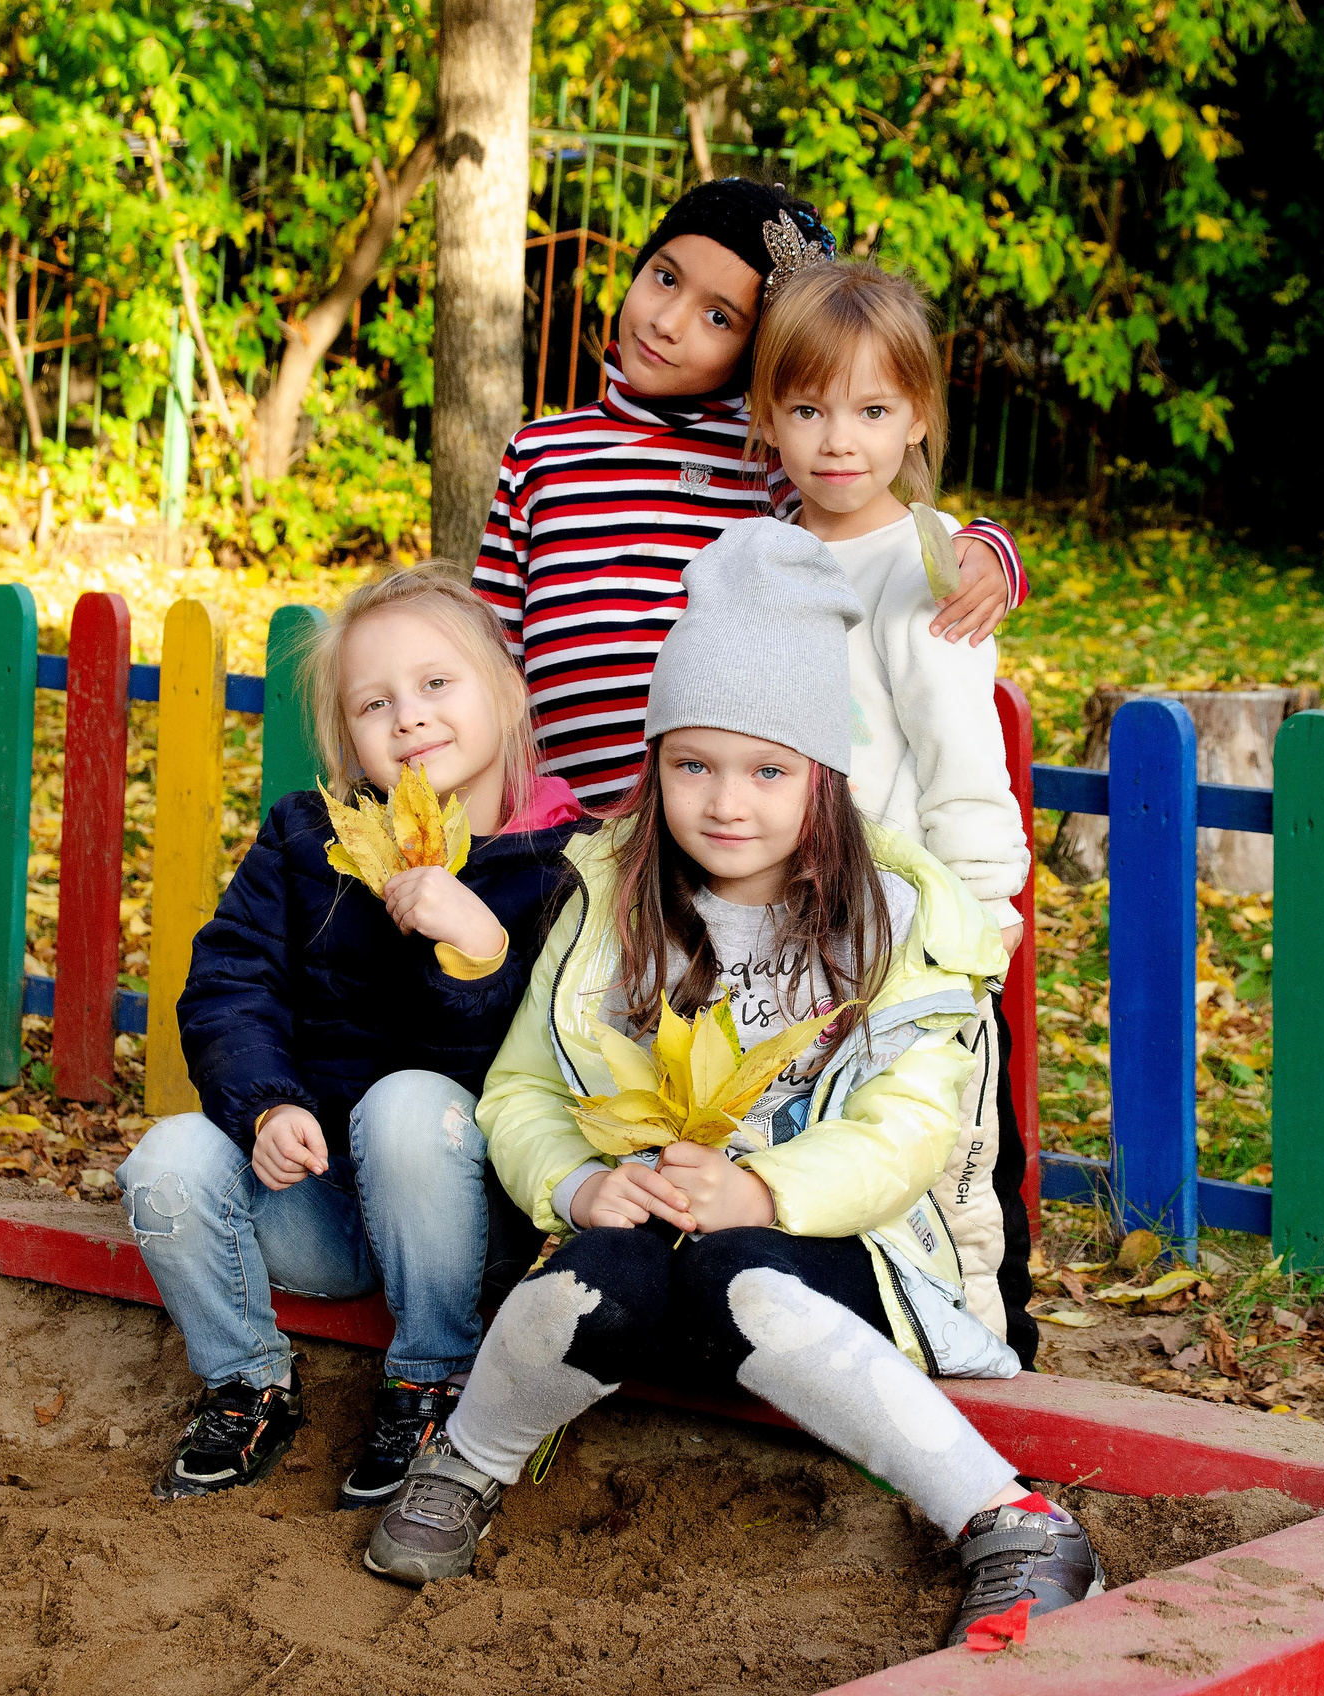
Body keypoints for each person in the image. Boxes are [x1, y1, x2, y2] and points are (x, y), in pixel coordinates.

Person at [364, 526, 1101, 1648]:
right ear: (653, 766)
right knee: (585, 1271)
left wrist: (759, 1190)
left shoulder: (901, 922)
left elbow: (904, 1131)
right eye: (691, 763)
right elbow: (518, 1089)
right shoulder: (608, 898)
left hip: (841, 1257)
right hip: (650, 1232)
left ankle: (1012, 1520)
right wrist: (573, 1184)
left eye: (767, 770)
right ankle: (463, 1463)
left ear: (824, 776)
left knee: (736, 1270)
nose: (725, 801)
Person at [117, 568, 587, 1506]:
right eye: (376, 703)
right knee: (164, 1160)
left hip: (473, 1217)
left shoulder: (568, 863)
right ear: (347, 737)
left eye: (437, 685)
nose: (409, 718)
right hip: (320, 1209)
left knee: (409, 1105)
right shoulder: (305, 844)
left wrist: (480, 950)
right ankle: (248, 1378)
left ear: (508, 684)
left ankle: (431, 1379)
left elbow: (561, 1070)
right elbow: (228, 985)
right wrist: (268, 1106)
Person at [472, 176, 1028, 808]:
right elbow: (491, 646)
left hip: (718, 826)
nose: (668, 321)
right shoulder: (540, 454)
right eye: (665, 276)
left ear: (756, 355)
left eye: (718, 317)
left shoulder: (771, 454)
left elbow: (876, 526)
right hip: (558, 817)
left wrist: (988, 548)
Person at [751, 258, 1040, 1366]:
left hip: (919, 937)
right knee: (837, 1152)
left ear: (915, 414)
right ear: (768, 416)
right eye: (810, 408)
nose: (839, 440)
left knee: (954, 1166)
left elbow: (963, 766)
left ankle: (995, 1374)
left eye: (872, 410)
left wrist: (980, 936)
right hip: (789, 930)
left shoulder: (928, 572)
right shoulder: (764, 561)